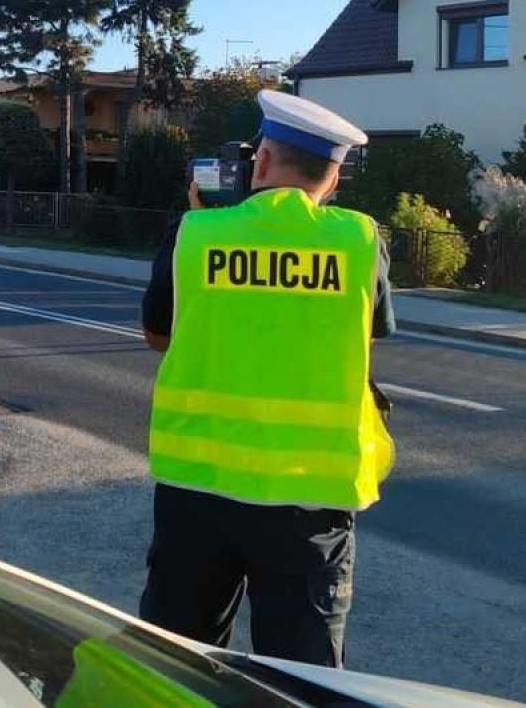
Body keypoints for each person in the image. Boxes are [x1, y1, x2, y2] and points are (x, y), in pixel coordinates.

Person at [138, 88, 395, 668]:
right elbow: (369, 330)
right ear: (332, 178)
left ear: (259, 162)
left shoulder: (194, 234)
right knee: (301, 676)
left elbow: (158, 336)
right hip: (309, 499)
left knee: (179, 662)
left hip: (197, 488)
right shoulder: (359, 239)